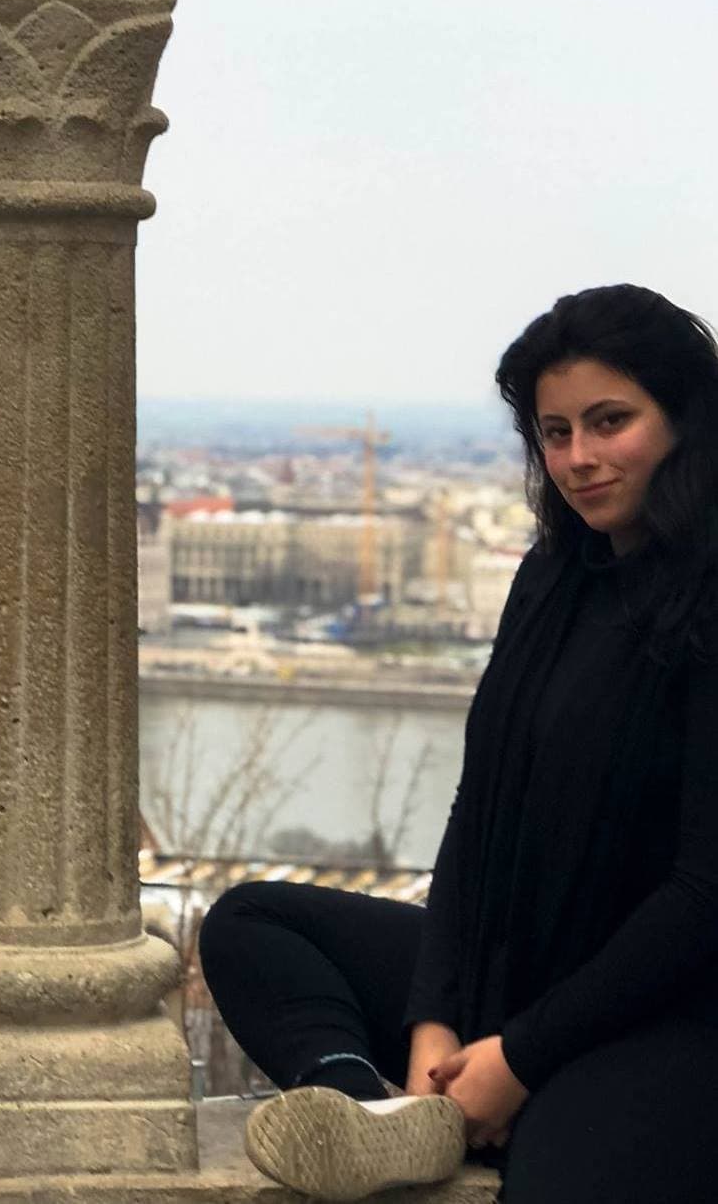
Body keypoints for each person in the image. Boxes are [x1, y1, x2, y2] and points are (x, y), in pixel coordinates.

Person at [199, 283, 718, 1203]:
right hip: (513, 975)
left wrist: (520, 1056)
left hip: (658, 1011)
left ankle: (477, 1109)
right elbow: (476, 811)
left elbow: (702, 894)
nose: (578, 459)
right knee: (249, 923)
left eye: (609, 422)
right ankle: (382, 1118)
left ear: (685, 417)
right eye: (554, 433)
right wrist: (433, 1019)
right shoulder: (555, 573)